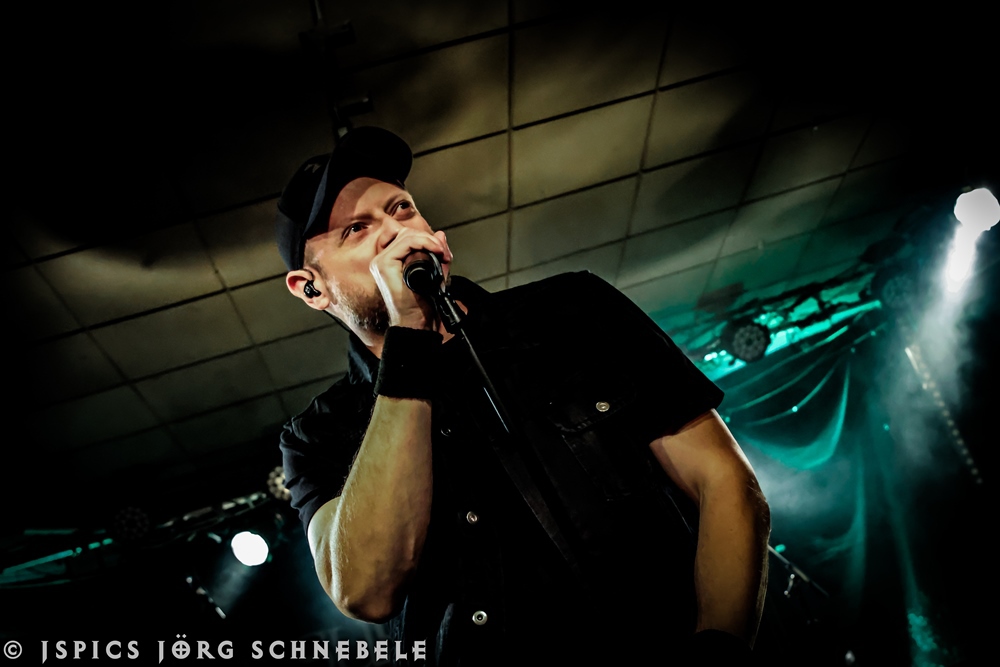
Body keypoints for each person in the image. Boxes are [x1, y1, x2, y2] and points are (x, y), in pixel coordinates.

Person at [276, 126, 771, 666]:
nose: (396, 232)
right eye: (356, 230)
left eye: (402, 209)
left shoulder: (573, 310)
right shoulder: (317, 436)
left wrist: (720, 653)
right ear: (311, 287)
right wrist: (408, 345)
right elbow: (367, 591)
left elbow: (724, 479)